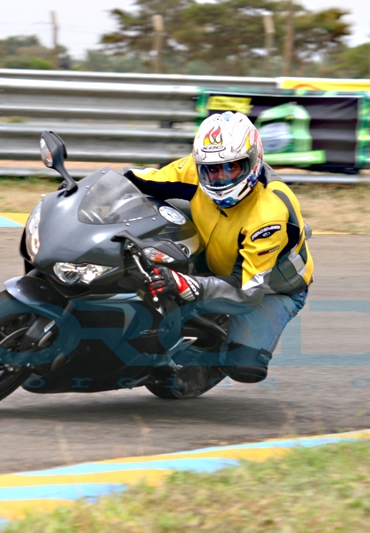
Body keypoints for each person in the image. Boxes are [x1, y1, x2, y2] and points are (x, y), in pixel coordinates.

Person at [125, 111, 313, 385]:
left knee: (245, 368)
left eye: (231, 167)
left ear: (253, 160)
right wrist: (83, 193)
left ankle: (204, 358)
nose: (220, 178)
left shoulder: (268, 212)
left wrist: (186, 285)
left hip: (270, 288)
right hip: (213, 252)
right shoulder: (195, 168)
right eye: (211, 169)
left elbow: (248, 290)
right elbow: (137, 180)